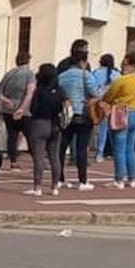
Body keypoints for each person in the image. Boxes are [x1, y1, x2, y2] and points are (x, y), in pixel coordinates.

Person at [100, 52, 135, 189]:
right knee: (130, 147)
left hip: (121, 112)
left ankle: (119, 179)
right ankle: (132, 178)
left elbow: (109, 95)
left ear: (131, 65)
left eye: (125, 64)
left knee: (119, 148)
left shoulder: (122, 80)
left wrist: (106, 101)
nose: (122, 66)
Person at [57, 51, 99, 191]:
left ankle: (59, 178)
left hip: (67, 115)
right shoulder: (85, 74)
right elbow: (94, 92)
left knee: (62, 148)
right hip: (83, 114)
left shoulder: (61, 76)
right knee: (82, 148)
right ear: (83, 62)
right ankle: (83, 181)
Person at [23, 63, 65, 197]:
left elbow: (33, 109)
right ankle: (54, 187)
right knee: (55, 156)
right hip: (56, 125)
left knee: (39, 157)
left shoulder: (39, 91)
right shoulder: (60, 91)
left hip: (40, 123)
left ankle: (37, 187)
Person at [0, 52, 34, 170]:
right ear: (28, 61)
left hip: (9, 109)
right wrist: (22, 108)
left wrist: (6, 101)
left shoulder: (9, 74)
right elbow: (30, 93)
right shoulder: (29, 74)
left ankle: (13, 161)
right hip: (25, 109)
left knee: (12, 135)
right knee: (30, 135)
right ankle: (36, 159)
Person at [92, 54, 120, 163]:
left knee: (100, 129)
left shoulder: (96, 73)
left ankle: (99, 152)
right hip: (113, 103)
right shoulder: (117, 75)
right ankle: (112, 152)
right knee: (113, 129)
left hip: (99, 102)